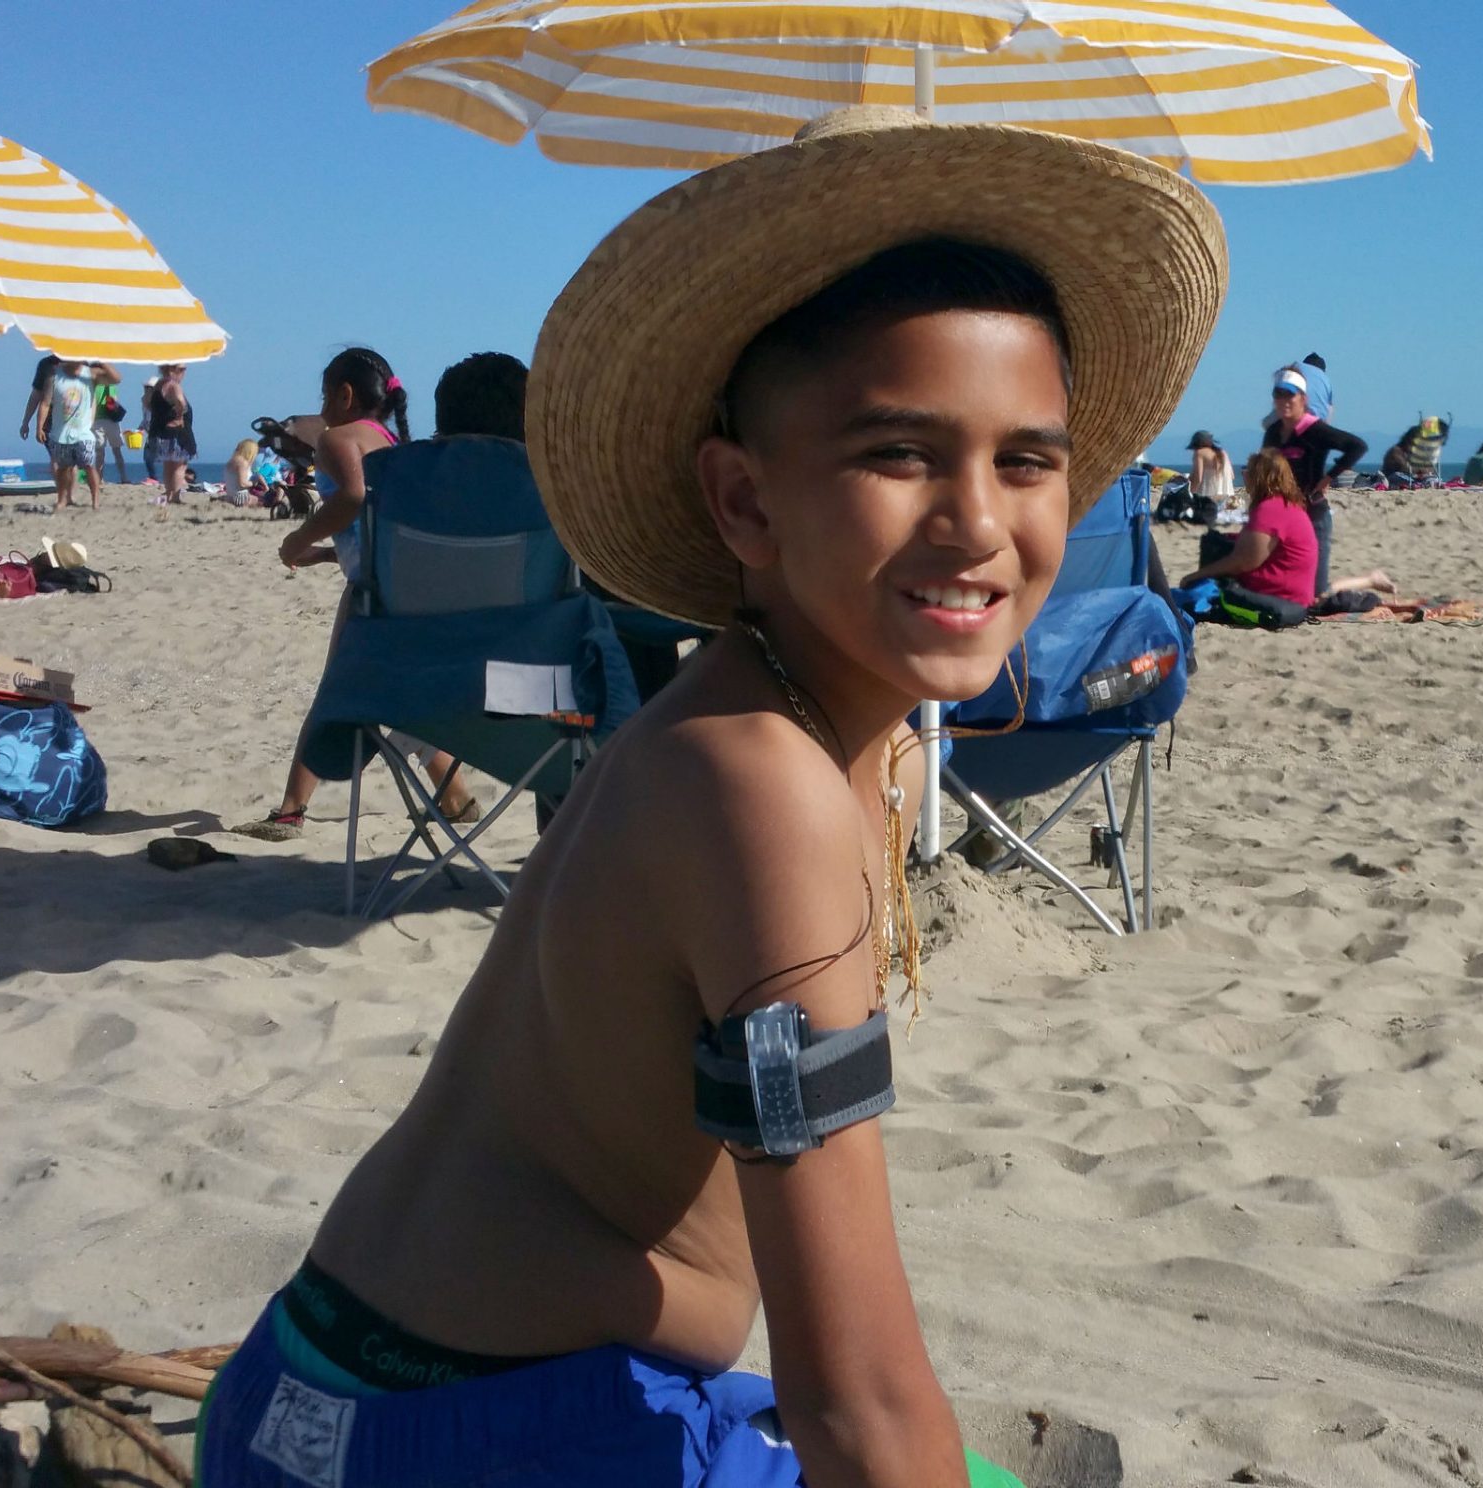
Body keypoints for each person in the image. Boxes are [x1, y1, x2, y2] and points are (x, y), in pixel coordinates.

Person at [195, 106, 1224, 1488]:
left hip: (325, 1390)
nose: (979, 521)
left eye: (1026, 459)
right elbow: (852, 1401)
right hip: (457, 1435)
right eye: (900, 454)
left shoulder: (797, 730)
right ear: (744, 503)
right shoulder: (761, 787)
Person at [236, 348, 474, 840]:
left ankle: (290, 811)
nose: (322, 406)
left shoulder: (335, 439)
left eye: (325, 395)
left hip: (373, 590)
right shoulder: (390, 440)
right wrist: (327, 556)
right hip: (412, 580)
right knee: (401, 692)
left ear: (345, 395)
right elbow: (375, 525)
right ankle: (455, 795)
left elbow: (351, 498)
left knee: (334, 692)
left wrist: (297, 540)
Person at [1181, 450, 1392, 607]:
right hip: (1298, 589)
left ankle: (1370, 581)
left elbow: (1244, 563)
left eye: (1248, 471)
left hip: (1284, 595)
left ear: (1260, 477)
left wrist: (1196, 575)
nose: (1244, 475)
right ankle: (1370, 580)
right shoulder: (1288, 504)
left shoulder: (1269, 509)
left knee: (1198, 588)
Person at [1261, 368, 1366, 598]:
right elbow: (1266, 469)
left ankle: (1370, 580)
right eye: (1279, 394)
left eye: (1290, 394)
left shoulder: (1314, 430)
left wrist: (1330, 476)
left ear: (1303, 399)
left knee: (1317, 593)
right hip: (1283, 517)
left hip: (1313, 515)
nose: (1284, 400)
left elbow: (1357, 446)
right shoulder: (1272, 433)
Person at [38, 358, 121, 511]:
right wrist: (39, 427)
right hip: (61, 432)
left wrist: (101, 359)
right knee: (63, 468)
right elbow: (45, 403)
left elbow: (116, 379)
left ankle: (95, 501)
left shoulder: (90, 374)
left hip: (84, 432)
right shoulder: (54, 376)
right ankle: (62, 499)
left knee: (89, 466)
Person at [151, 364, 196, 502]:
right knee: (179, 466)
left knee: (169, 465)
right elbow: (181, 402)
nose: (184, 373)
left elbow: (146, 402)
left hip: (162, 431)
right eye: (181, 369)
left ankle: (169, 493)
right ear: (172, 370)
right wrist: (179, 413)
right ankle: (175, 496)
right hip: (177, 433)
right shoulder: (174, 386)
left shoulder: (159, 385)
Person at [92, 379, 129, 483]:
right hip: (105, 420)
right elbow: (113, 401)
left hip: (101, 420)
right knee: (114, 451)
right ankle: (122, 477)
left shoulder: (103, 384)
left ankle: (100, 478)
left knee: (102, 452)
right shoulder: (108, 385)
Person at [1187, 429, 1232, 503]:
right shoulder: (1223, 453)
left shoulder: (1199, 453)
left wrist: (1191, 493)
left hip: (1207, 495)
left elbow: (1198, 478)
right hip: (1225, 496)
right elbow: (1232, 476)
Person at [138, 374, 163, 484]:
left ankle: (157, 478)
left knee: (157, 456)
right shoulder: (144, 401)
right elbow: (145, 417)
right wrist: (141, 427)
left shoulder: (159, 402)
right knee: (148, 456)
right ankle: (153, 477)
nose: (147, 390)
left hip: (159, 432)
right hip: (151, 432)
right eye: (146, 388)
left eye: (150, 388)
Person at [224, 440, 261, 504]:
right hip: (240, 497)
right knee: (265, 500)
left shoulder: (231, 461)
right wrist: (254, 483)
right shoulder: (243, 463)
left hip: (230, 496)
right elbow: (242, 483)